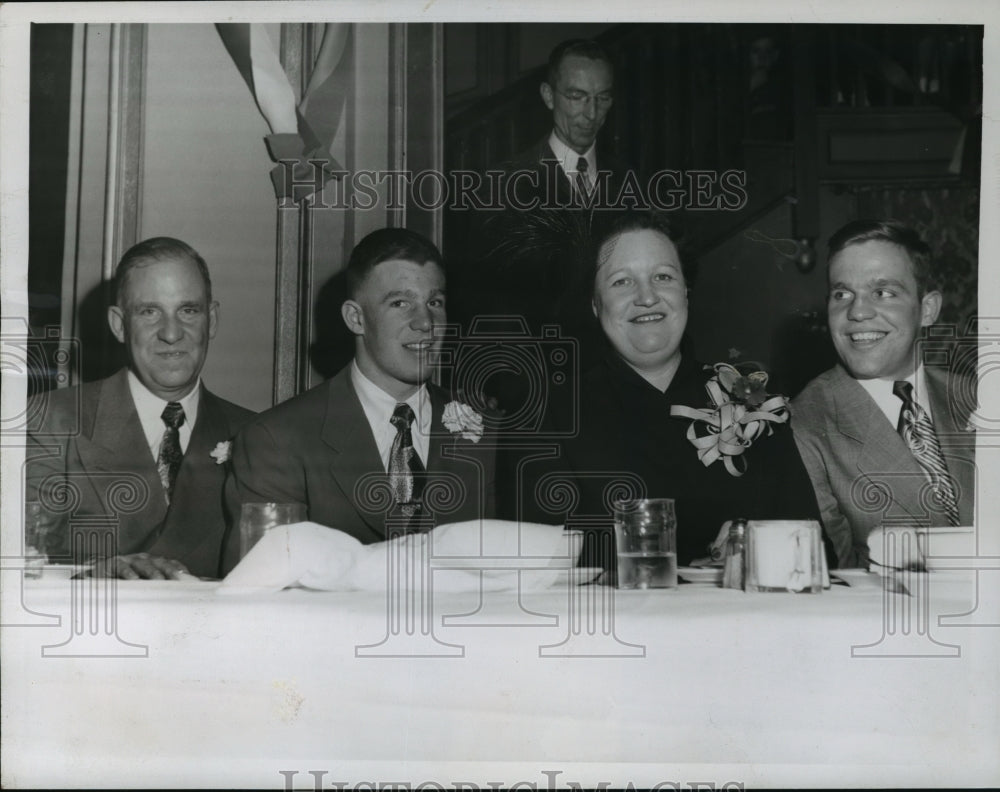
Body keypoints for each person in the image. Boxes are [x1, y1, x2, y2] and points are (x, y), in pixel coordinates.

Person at [517, 212, 821, 570]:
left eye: (663, 277)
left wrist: (756, 545)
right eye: (621, 282)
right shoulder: (549, 417)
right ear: (596, 305)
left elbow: (814, 550)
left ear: (686, 292)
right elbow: (533, 568)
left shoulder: (754, 401)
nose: (646, 297)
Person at [223, 228, 496, 575]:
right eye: (400, 303)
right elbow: (261, 594)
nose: (426, 322)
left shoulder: (486, 433)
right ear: (356, 318)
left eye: (434, 302)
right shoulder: (278, 440)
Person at [25, 237, 254, 579]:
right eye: (149, 312)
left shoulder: (259, 434)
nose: (172, 333)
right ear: (119, 324)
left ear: (213, 319)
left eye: (188, 310)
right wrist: (91, 575)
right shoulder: (50, 423)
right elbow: (17, 561)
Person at [792, 220, 976, 569]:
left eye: (883, 293)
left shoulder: (979, 399)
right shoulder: (805, 423)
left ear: (928, 310)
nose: (858, 312)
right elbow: (837, 579)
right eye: (842, 294)